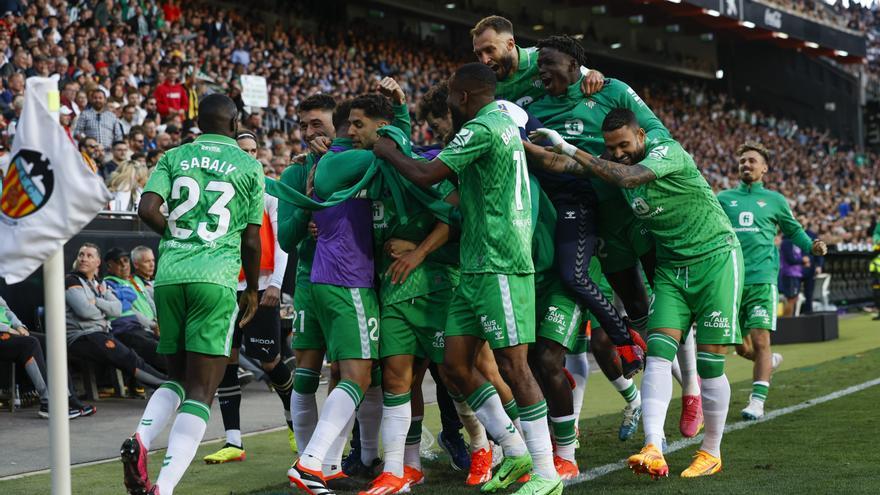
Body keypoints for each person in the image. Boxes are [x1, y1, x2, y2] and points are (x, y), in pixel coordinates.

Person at [374, 62, 562, 495]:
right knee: (455, 365)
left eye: (452, 99)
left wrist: (387, 151)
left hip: (500, 264)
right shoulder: (504, 125)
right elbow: (458, 191)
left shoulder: (480, 128)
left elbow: (425, 174)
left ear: (461, 98)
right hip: (475, 266)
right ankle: (514, 453)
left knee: (515, 367)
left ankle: (547, 472)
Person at [530, 108, 743, 478]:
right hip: (673, 270)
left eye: (624, 144)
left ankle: (711, 451)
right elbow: (567, 166)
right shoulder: (615, 164)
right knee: (658, 353)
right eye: (611, 148)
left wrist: (568, 145)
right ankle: (654, 447)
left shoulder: (667, 152)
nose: (618, 153)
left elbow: (627, 178)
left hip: (716, 259)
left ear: (641, 135)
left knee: (711, 364)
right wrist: (521, 145)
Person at [522, 34, 701, 440]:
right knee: (638, 307)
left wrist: (634, 170)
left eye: (549, 63)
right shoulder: (533, 105)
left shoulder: (611, 90)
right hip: (594, 220)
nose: (541, 72)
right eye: (538, 66)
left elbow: (655, 133)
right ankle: (647, 384)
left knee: (668, 297)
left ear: (573, 65)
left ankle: (691, 391)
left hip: (640, 207)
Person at [120, 94, 264, 495]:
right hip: (214, 278)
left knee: (176, 377)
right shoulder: (249, 165)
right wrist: (251, 288)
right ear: (235, 123)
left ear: (200, 121)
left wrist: (180, 237)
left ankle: (141, 440)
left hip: (169, 276)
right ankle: (163, 488)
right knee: (203, 390)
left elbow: (147, 209)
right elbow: (252, 240)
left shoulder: (174, 156)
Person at [279, 95, 361, 492]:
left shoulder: (355, 158)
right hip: (312, 281)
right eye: (304, 126)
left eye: (317, 123)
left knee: (349, 372)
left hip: (354, 275)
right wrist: (308, 210)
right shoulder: (295, 172)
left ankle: (329, 462)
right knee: (307, 375)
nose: (310, 132)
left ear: (338, 124)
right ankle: (307, 461)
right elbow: (285, 238)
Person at [202, 130, 295, 464]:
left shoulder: (270, 189)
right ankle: (233, 442)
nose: (250, 155)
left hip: (262, 286)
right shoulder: (219, 188)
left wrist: (276, 284)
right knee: (227, 356)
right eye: (243, 150)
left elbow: (282, 238)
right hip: (227, 287)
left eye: (254, 150)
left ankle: (294, 420)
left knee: (270, 361)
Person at [717, 142, 827, 420]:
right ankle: (768, 364)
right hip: (732, 279)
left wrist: (812, 247)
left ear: (764, 168)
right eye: (742, 161)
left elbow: (794, 231)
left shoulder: (776, 200)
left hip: (763, 278)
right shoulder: (723, 198)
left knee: (761, 338)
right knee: (741, 347)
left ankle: (757, 401)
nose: (746, 165)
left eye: (752, 161)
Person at [65, 243, 166, 394]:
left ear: (97, 263)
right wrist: (105, 311)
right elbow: (85, 311)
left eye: (89, 256)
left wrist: (97, 302)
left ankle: (169, 383)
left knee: (132, 356)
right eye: (81, 255)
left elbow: (117, 309)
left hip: (100, 332)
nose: (83, 259)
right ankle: (166, 386)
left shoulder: (100, 283)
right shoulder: (71, 280)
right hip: (81, 336)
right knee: (129, 357)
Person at [0, 296, 93, 418]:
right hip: (4, 332)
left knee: (50, 342)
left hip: (9, 332)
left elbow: (6, 311)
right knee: (30, 344)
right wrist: (8, 329)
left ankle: (68, 398)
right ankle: (48, 403)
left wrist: (19, 326)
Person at [103, 247, 165, 373]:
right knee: (157, 349)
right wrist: (153, 325)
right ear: (109, 266)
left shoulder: (131, 281)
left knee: (172, 346)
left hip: (144, 326)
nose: (124, 265)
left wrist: (157, 321)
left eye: (125, 261)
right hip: (126, 328)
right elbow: (126, 308)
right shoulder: (108, 283)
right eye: (118, 262)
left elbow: (148, 301)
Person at [74, 87, 124, 155]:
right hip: (91, 153)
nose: (98, 100)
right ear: (91, 100)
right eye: (95, 98)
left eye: (100, 98)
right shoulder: (85, 114)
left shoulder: (112, 116)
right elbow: (77, 132)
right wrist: (88, 142)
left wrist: (114, 147)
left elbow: (118, 135)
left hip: (108, 152)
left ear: (105, 100)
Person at [779, 237, 805, 316]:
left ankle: (790, 319)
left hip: (796, 274)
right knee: (791, 299)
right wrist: (803, 261)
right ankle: (787, 320)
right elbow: (790, 259)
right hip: (789, 274)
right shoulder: (787, 242)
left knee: (794, 298)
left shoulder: (795, 242)